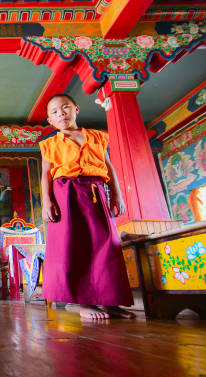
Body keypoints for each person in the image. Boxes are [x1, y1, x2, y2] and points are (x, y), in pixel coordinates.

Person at [39, 94, 134, 320]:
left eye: (65, 107)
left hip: (95, 192)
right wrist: (47, 201)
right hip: (65, 195)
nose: (60, 113)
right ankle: (84, 302)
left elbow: (109, 168)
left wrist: (117, 196)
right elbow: (45, 175)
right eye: (54, 112)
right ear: (50, 120)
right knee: (73, 246)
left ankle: (110, 302)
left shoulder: (98, 138)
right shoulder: (49, 144)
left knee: (106, 245)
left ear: (76, 109)